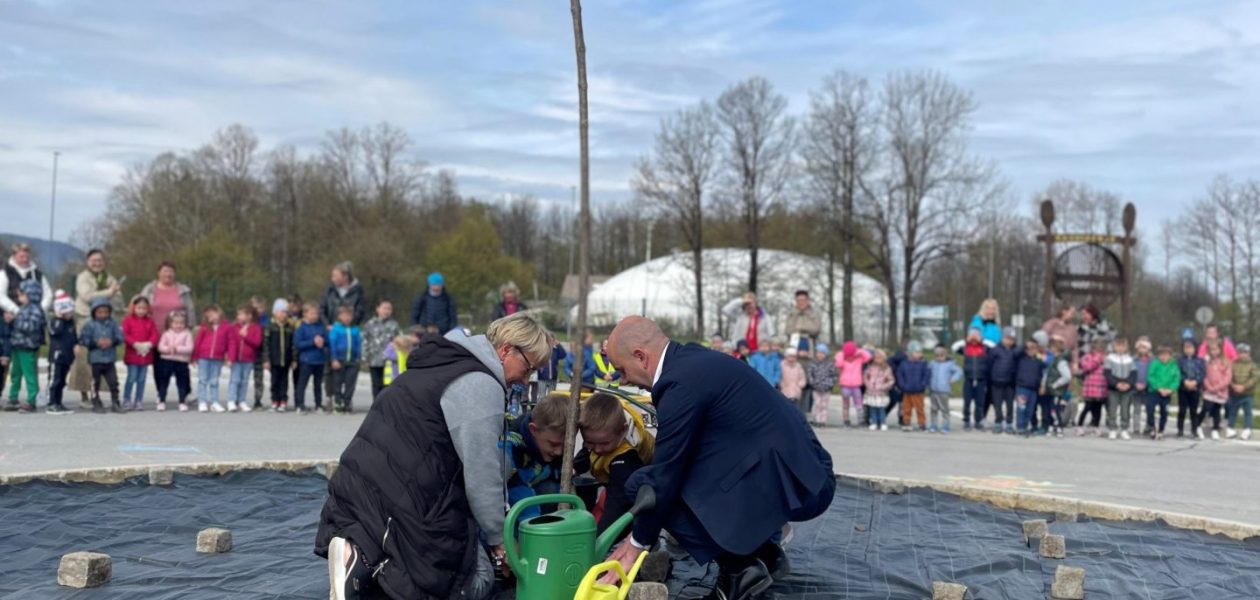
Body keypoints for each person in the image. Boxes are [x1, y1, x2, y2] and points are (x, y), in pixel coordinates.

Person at [316, 312, 552, 600]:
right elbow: (481, 472)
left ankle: (360, 560)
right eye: (528, 369)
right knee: (471, 580)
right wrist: (500, 543)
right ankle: (358, 563)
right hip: (398, 496)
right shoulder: (480, 384)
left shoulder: (443, 362)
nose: (524, 381)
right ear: (505, 350)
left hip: (361, 485)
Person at [600, 316, 834, 599]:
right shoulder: (693, 360)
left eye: (622, 370)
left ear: (641, 357)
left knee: (643, 485)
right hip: (805, 469)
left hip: (797, 485)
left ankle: (740, 568)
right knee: (676, 478)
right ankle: (764, 554)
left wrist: (638, 542)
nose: (624, 380)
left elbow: (664, 474)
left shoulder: (678, 384)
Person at [575, 392, 656, 537]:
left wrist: (598, 541)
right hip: (616, 471)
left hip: (643, 474)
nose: (598, 449)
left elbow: (617, 506)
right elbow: (586, 452)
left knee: (615, 507)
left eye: (604, 443)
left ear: (623, 430)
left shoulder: (626, 457)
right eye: (590, 442)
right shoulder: (605, 429)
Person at [70, 249, 124, 407]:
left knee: (105, 359)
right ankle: (85, 395)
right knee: (84, 358)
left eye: (100, 260)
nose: (97, 263)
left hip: (106, 321)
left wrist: (116, 296)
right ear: (87, 261)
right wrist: (110, 292)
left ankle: (103, 395)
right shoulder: (83, 277)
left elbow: (118, 296)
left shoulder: (108, 277)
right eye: (93, 260)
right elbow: (87, 296)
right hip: (85, 318)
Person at [501, 393, 567, 517]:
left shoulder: (552, 444)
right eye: (553, 444)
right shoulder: (512, 444)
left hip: (534, 482)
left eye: (566, 446)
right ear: (533, 430)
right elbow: (513, 486)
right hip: (508, 494)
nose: (559, 452)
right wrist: (533, 523)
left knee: (553, 490)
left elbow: (560, 479)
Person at [142, 261, 195, 412]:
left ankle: (186, 394)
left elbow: (190, 309)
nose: (168, 274)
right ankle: (161, 393)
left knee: (182, 366)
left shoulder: (183, 290)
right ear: (158, 273)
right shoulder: (150, 289)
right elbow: (141, 305)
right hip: (155, 333)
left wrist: (189, 329)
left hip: (179, 332)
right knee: (159, 367)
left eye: (171, 271)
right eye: (165, 271)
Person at [79, 296, 124, 414]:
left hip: (109, 359)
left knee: (113, 382)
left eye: (106, 312)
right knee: (95, 382)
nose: (103, 315)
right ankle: (96, 401)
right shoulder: (90, 325)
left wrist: (112, 341)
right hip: (95, 359)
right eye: (100, 312)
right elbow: (83, 339)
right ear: (94, 312)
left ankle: (115, 402)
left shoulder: (113, 324)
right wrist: (96, 343)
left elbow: (120, 337)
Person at [6, 280, 45, 412]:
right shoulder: (22, 309)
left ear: (31, 294)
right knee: (15, 373)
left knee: (30, 374)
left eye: (22, 294)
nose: (19, 297)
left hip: (28, 347)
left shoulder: (36, 310)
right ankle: (13, 397)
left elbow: (32, 327)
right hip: (17, 345)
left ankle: (32, 400)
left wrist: (15, 320)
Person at [121, 296, 159, 411]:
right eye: (139, 308)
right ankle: (127, 399)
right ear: (134, 308)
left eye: (144, 308)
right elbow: (125, 334)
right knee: (131, 377)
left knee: (142, 379)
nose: (141, 311)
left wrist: (149, 344)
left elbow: (155, 335)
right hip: (133, 354)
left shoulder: (150, 322)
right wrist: (135, 344)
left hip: (145, 355)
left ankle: (139, 400)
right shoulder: (127, 320)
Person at [952, 328, 994, 431]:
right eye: (972, 335)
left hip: (981, 379)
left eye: (976, 335)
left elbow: (994, 346)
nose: (974, 337)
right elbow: (954, 347)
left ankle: (978, 421)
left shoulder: (985, 348)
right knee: (967, 401)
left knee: (980, 402)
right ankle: (966, 420)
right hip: (969, 379)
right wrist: (966, 340)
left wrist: (982, 340)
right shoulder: (965, 347)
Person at [193, 305, 231, 413]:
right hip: (203, 357)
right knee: (202, 380)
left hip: (217, 358)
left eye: (213, 313)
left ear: (219, 313)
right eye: (208, 315)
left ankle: (214, 402)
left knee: (214, 380)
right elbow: (198, 342)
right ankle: (202, 402)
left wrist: (229, 357)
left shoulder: (226, 327)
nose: (211, 316)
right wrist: (194, 357)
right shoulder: (204, 327)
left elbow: (230, 342)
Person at [225, 304, 264, 413]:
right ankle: (231, 401)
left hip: (248, 359)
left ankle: (242, 400)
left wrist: (246, 336)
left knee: (244, 381)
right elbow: (231, 343)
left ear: (249, 316)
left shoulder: (256, 328)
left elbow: (257, 343)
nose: (238, 317)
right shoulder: (234, 327)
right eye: (237, 314)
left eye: (241, 314)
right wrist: (230, 358)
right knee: (235, 380)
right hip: (236, 359)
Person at [362, 300, 401, 400]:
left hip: (389, 361)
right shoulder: (370, 324)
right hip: (374, 359)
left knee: (388, 385)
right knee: (376, 383)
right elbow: (365, 341)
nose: (386, 311)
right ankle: (376, 405)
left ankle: (386, 406)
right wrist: (365, 357)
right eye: (384, 308)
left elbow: (400, 340)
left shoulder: (394, 325)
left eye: (389, 309)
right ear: (378, 309)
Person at [156, 311, 194, 412]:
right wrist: (168, 349)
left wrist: (177, 349)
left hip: (181, 362)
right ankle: (161, 401)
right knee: (164, 381)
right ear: (170, 324)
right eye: (176, 323)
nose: (178, 325)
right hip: (166, 360)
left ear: (185, 324)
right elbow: (160, 347)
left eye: (181, 323)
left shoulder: (187, 334)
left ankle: (182, 401)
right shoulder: (166, 334)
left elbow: (190, 348)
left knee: (182, 382)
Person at [47, 293, 78, 414]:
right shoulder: (55, 322)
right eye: (67, 312)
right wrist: (59, 318)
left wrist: (76, 344)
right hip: (56, 356)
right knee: (55, 380)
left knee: (62, 381)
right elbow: (55, 332)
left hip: (67, 357)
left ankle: (58, 402)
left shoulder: (71, 323)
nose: (70, 314)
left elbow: (73, 336)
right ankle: (51, 403)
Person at [0, 242, 53, 314]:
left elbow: (48, 295)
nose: (25, 260)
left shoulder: (38, 275)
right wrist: (16, 311)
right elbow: (1, 296)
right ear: (13, 256)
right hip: (9, 319)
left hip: (34, 319)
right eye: (21, 257)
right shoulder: (5, 274)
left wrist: (40, 310)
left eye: (27, 257)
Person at [294, 304, 328, 415]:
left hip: (319, 360)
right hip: (306, 360)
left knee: (318, 384)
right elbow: (298, 344)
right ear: (305, 314)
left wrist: (323, 341)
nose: (315, 316)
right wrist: (312, 342)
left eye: (316, 313)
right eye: (312, 313)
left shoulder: (320, 327)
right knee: (302, 383)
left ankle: (318, 404)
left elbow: (327, 341)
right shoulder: (301, 328)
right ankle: (300, 404)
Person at [329, 305, 363, 414]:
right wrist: (334, 359)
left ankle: (347, 401)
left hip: (352, 361)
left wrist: (358, 358)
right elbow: (332, 345)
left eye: (349, 315)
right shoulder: (336, 329)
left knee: (350, 383)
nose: (347, 318)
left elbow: (358, 344)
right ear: (339, 316)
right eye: (344, 315)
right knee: (337, 382)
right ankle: (338, 402)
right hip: (339, 360)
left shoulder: (355, 329)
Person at [263, 299, 295, 412]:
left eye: (285, 312)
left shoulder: (290, 328)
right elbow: (266, 344)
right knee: (274, 381)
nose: (283, 314)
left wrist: (293, 360)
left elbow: (293, 345)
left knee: (284, 381)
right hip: (274, 360)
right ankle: (274, 401)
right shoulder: (270, 327)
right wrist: (266, 359)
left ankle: (283, 401)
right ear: (275, 313)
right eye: (280, 311)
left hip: (285, 360)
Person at [1103, 337, 1137, 441]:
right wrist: (1116, 384)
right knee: (1112, 409)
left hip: (1127, 389)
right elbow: (1108, 374)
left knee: (1125, 409)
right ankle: (1112, 428)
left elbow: (1133, 374)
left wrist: (1128, 384)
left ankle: (1124, 429)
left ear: (1126, 347)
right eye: (1118, 346)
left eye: (1123, 346)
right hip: (1114, 388)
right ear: (1114, 347)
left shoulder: (1130, 359)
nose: (1120, 348)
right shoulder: (1109, 358)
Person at [988, 328, 1020, 434]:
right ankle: (998, 422)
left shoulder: (1016, 351)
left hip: (1010, 382)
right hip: (997, 382)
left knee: (1010, 405)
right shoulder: (995, 350)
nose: (1009, 341)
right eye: (1007, 338)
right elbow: (989, 365)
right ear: (1003, 338)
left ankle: (1009, 423)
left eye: (1012, 339)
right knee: (997, 404)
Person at [1199, 340, 1231, 440]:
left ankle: (1215, 429)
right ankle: (1197, 425)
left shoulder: (1225, 362)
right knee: (1206, 408)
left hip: (1220, 391)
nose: (1214, 352)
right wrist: (1208, 386)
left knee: (1217, 410)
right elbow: (1203, 374)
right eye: (1211, 350)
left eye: (1216, 349)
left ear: (1220, 350)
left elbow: (1227, 378)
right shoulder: (1206, 361)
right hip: (1209, 390)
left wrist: (1217, 387)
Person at [1040, 337, 1073, 438]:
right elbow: (1047, 374)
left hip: (1057, 391)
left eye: (1052, 348)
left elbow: (1067, 377)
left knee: (1055, 409)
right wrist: (1044, 385)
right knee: (1051, 409)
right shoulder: (1054, 360)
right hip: (1051, 390)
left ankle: (1059, 427)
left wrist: (1055, 385)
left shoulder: (1061, 362)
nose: (1050, 349)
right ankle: (1052, 425)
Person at [1146, 345, 1181, 441]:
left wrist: (1171, 389)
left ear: (1170, 355)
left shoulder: (1173, 366)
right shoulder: (1155, 364)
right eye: (1161, 355)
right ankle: (1152, 427)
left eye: (1166, 355)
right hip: (1154, 392)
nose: (1164, 357)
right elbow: (1150, 376)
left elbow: (1176, 379)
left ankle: (1161, 429)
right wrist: (1158, 387)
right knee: (1150, 410)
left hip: (1167, 393)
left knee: (1164, 412)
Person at [319, 261, 367, 327]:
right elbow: (321, 309)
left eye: (335, 276)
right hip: (329, 329)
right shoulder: (329, 290)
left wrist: (346, 326)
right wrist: (327, 325)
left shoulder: (358, 292)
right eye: (332, 276)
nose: (333, 279)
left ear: (345, 276)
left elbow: (360, 312)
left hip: (349, 330)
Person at [895, 341, 930, 432]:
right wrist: (902, 385)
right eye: (917, 352)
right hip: (907, 391)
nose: (919, 354)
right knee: (906, 408)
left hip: (918, 391)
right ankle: (906, 423)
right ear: (910, 353)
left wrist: (923, 385)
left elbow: (926, 375)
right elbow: (900, 375)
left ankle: (922, 423)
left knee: (920, 408)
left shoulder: (923, 364)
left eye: (920, 352)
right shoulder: (904, 364)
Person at [835, 341, 871, 427]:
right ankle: (846, 420)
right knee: (845, 404)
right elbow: (838, 364)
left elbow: (868, 356)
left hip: (856, 385)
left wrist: (859, 351)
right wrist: (842, 354)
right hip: (845, 385)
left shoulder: (859, 359)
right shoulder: (843, 359)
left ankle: (861, 420)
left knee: (858, 404)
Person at [1077, 339, 1108, 436]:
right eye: (1097, 349)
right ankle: (1080, 425)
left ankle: (1096, 426)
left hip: (1101, 387)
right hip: (1090, 387)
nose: (1099, 352)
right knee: (1087, 407)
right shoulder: (1087, 357)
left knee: (1098, 408)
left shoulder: (1106, 359)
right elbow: (1086, 367)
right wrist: (1097, 359)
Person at [1015, 340, 1046, 436]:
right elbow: (1016, 352)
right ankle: (1020, 427)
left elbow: (1042, 374)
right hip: (1022, 388)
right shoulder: (1021, 358)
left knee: (1030, 409)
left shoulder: (1039, 361)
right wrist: (1025, 344)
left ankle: (1025, 425)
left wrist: (1041, 386)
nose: (1032, 350)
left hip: (1033, 389)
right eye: (1030, 349)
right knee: (1021, 408)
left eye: (1034, 348)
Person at [1176, 337, 1205, 438]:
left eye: (1190, 347)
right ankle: (1180, 429)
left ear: (1195, 348)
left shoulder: (1200, 361)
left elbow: (1202, 373)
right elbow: (1177, 373)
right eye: (1186, 348)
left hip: (1195, 389)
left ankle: (1194, 429)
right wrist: (1184, 381)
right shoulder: (1180, 361)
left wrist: (1195, 382)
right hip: (1183, 389)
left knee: (1193, 410)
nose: (1188, 350)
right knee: (1182, 410)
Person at [927, 345, 961, 433]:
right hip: (934, 390)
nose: (939, 358)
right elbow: (927, 372)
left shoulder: (950, 364)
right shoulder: (932, 364)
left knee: (944, 409)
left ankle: (946, 425)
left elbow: (959, 371)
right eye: (937, 356)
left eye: (941, 356)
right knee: (933, 409)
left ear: (945, 356)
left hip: (944, 390)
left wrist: (952, 379)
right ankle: (933, 424)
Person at [1226, 342, 1256, 441]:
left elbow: (1255, 377)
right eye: (1240, 352)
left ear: (1248, 353)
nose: (1242, 355)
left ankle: (1247, 429)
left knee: (1248, 412)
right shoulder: (1233, 364)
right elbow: (1228, 376)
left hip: (1247, 394)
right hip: (1234, 393)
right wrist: (1233, 386)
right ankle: (1230, 428)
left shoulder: (1252, 365)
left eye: (1245, 352)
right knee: (1232, 411)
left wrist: (1244, 386)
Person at [806, 344, 839, 427]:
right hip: (816, 388)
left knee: (824, 405)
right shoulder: (813, 363)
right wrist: (813, 383)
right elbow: (810, 374)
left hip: (826, 388)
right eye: (818, 353)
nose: (820, 355)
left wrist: (830, 384)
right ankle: (817, 420)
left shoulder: (830, 364)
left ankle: (823, 421)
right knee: (817, 404)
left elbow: (834, 375)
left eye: (822, 353)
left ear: (825, 354)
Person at [783, 290, 821, 358]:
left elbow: (815, 330)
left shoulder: (815, 314)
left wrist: (800, 328)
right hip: (793, 348)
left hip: (811, 347)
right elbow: (788, 330)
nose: (801, 302)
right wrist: (806, 330)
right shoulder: (791, 314)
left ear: (808, 301)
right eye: (798, 300)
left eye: (803, 300)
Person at [863, 350, 895, 432]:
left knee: (881, 408)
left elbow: (891, 380)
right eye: (876, 358)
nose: (877, 359)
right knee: (872, 408)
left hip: (881, 393)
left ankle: (882, 422)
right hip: (871, 392)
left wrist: (883, 386)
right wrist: (868, 384)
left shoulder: (887, 368)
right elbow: (865, 376)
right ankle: (874, 422)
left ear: (883, 358)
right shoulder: (870, 367)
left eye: (879, 358)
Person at [251, 296, 270, 410]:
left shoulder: (267, 321)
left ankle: (258, 400)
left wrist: (266, 357)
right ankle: (238, 399)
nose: (258, 310)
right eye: (256, 308)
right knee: (241, 378)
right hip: (248, 354)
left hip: (261, 353)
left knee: (259, 378)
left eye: (261, 307)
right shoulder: (248, 320)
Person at [1132, 337, 1153, 436]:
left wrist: (1147, 384)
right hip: (1136, 389)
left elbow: (1154, 375)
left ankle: (1148, 427)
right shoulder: (1133, 360)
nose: (1142, 349)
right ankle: (1136, 428)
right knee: (1137, 409)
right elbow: (1130, 373)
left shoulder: (1152, 361)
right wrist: (1135, 384)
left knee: (1149, 409)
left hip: (1148, 389)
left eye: (1144, 347)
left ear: (1148, 349)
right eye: (1140, 347)